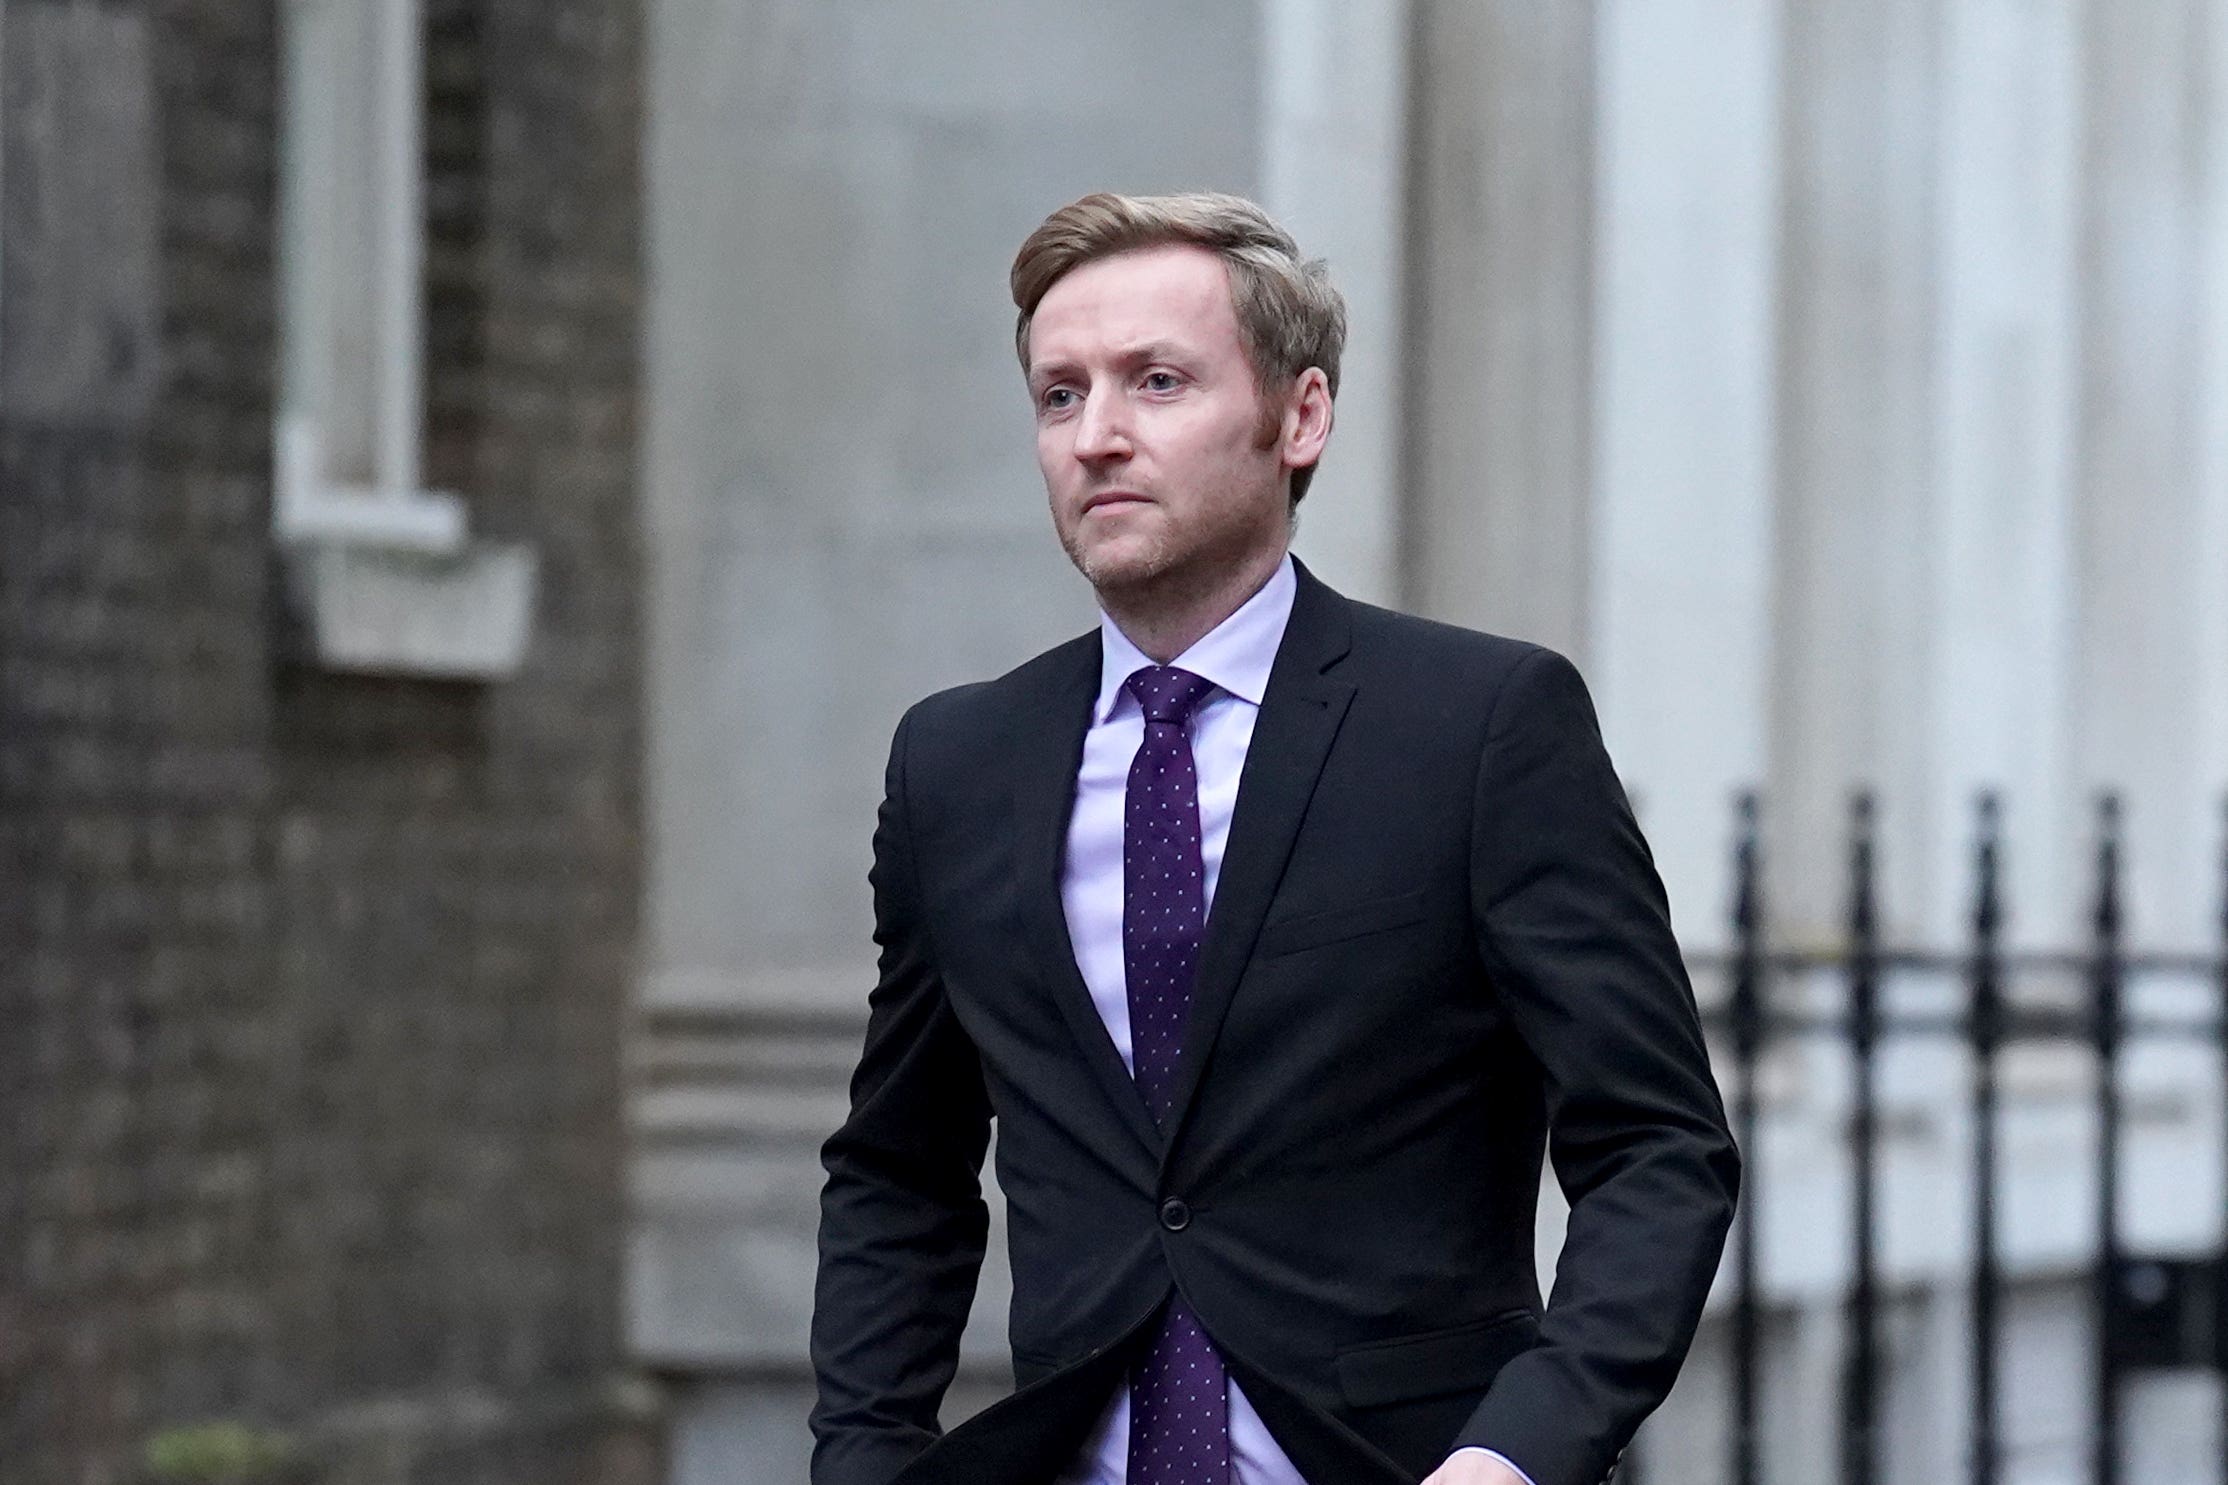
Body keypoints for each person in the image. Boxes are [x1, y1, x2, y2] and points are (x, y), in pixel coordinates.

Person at [809, 191, 1738, 1485]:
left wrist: (1514, 1457)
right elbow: (900, 1169)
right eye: (1060, 395)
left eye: (1159, 381)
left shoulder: (1480, 728)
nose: (1099, 437)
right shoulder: (958, 763)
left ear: (1300, 415)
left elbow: (1658, 1146)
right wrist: (863, 1454)